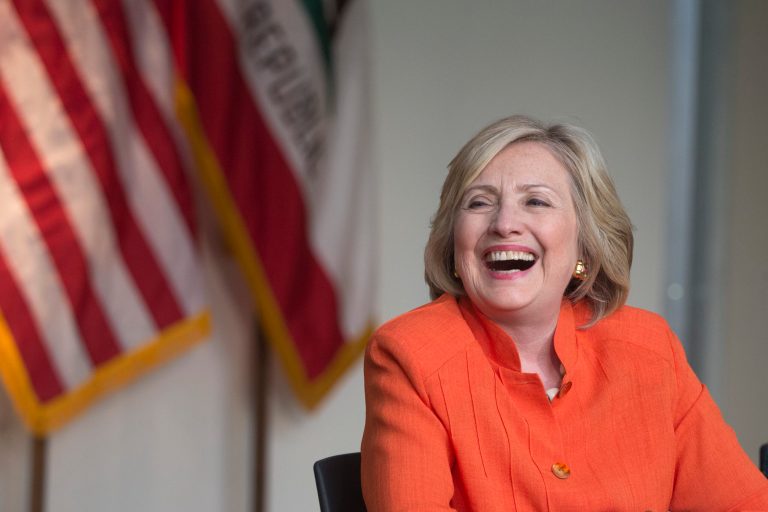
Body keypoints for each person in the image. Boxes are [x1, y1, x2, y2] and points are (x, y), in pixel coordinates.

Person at [360, 115, 768, 511]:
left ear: (585, 245)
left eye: (536, 201)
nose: (504, 223)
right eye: (479, 202)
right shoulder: (410, 354)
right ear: (453, 243)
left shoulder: (649, 349)